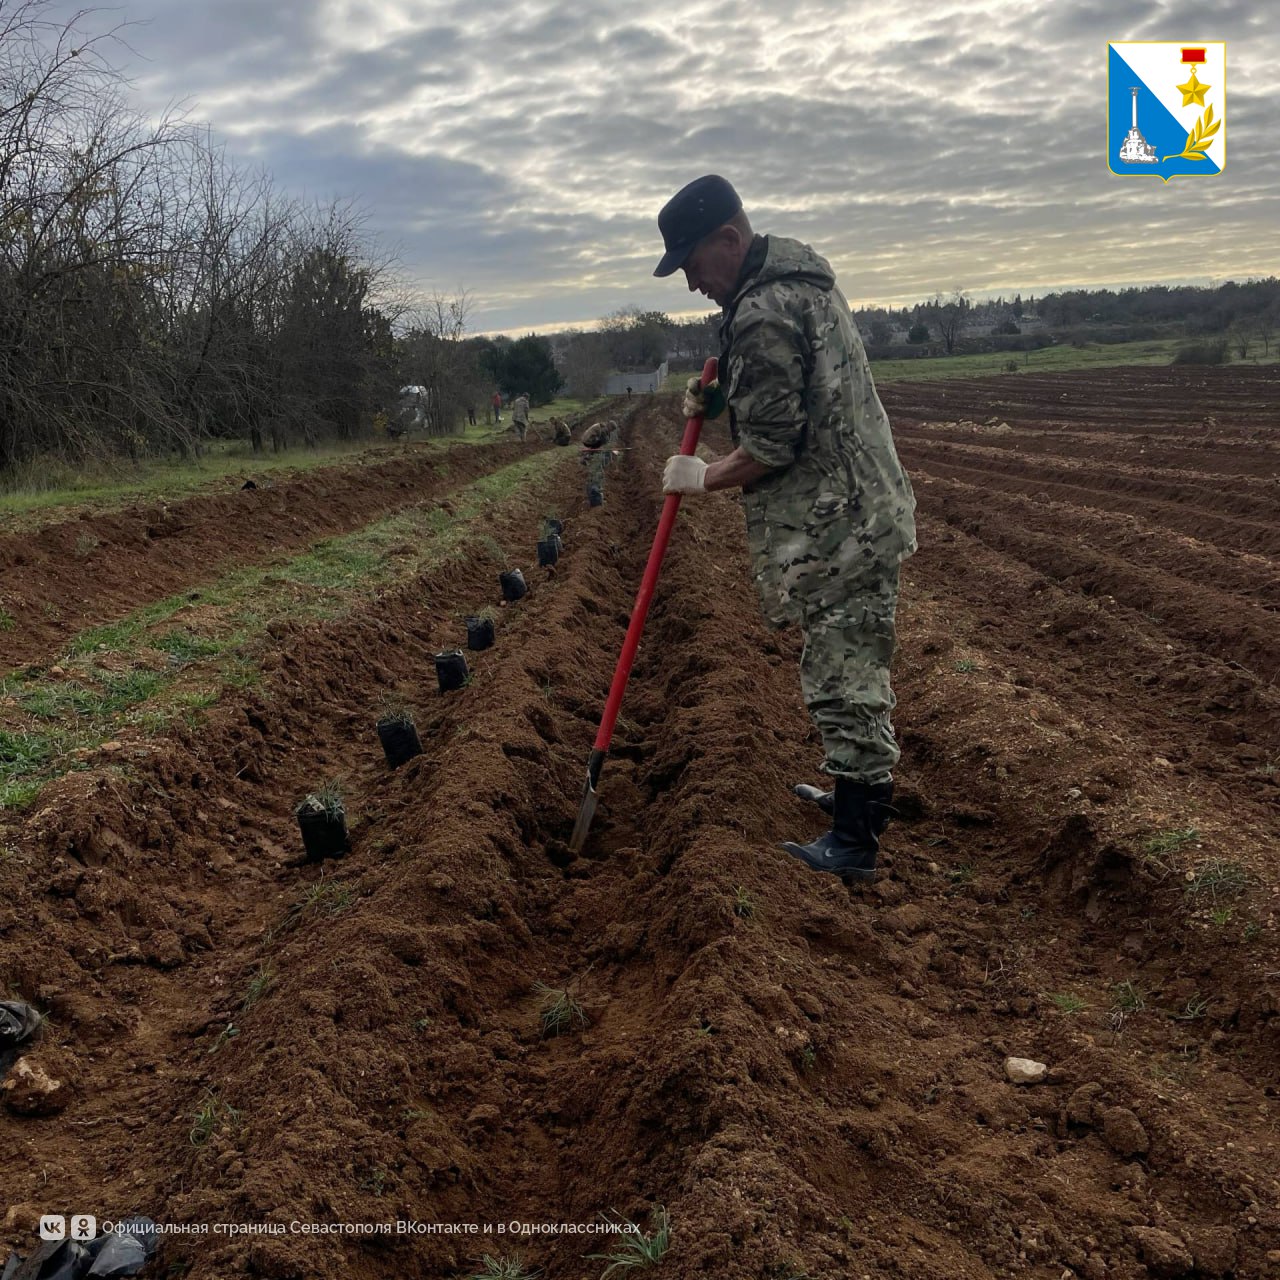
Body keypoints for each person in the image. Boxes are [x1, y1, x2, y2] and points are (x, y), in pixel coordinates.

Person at [654, 174, 917, 886]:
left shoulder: (764, 310)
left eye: (692, 264)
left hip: (843, 526)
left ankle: (855, 843)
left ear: (729, 242)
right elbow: (791, 386)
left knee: (843, 676)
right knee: (845, 662)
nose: (691, 284)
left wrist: (700, 475)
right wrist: (721, 391)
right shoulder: (795, 283)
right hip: (857, 510)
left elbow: (773, 443)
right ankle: (855, 795)